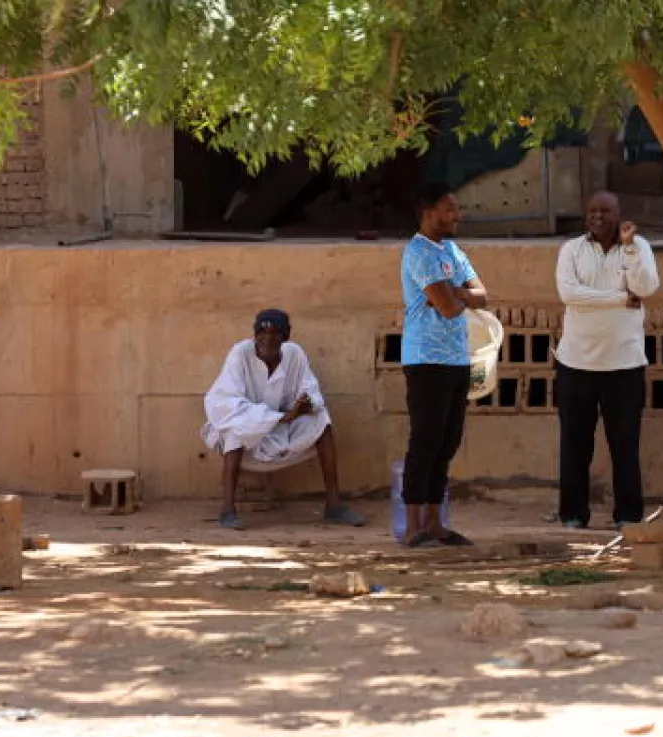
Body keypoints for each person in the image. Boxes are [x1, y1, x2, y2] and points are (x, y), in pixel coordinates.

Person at [202, 308, 366, 531]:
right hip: (248, 430)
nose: (267, 338)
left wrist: (305, 404)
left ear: (285, 337)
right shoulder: (241, 353)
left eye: (275, 333)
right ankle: (228, 509)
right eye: (262, 332)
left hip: (282, 427)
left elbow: (310, 389)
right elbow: (228, 403)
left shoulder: (294, 354)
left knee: (322, 420)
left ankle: (333, 505)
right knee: (235, 429)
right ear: (255, 335)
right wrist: (279, 418)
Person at [553, 190, 661, 528]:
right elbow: (569, 294)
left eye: (605, 211)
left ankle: (628, 516)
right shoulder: (571, 249)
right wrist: (619, 299)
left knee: (625, 447)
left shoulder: (638, 247)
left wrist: (629, 249)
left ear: (619, 214)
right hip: (575, 364)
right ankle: (573, 514)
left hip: (624, 365)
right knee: (575, 446)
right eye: (592, 211)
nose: (597, 217)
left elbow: (646, 288)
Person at [399, 182, 488, 547]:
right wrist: (458, 296)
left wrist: (457, 294)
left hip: (456, 356)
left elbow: (482, 296)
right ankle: (412, 525)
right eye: (449, 209)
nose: (457, 215)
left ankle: (436, 521)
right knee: (425, 439)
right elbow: (450, 306)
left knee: (447, 442)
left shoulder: (452, 250)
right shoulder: (418, 253)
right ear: (428, 211)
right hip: (425, 358)